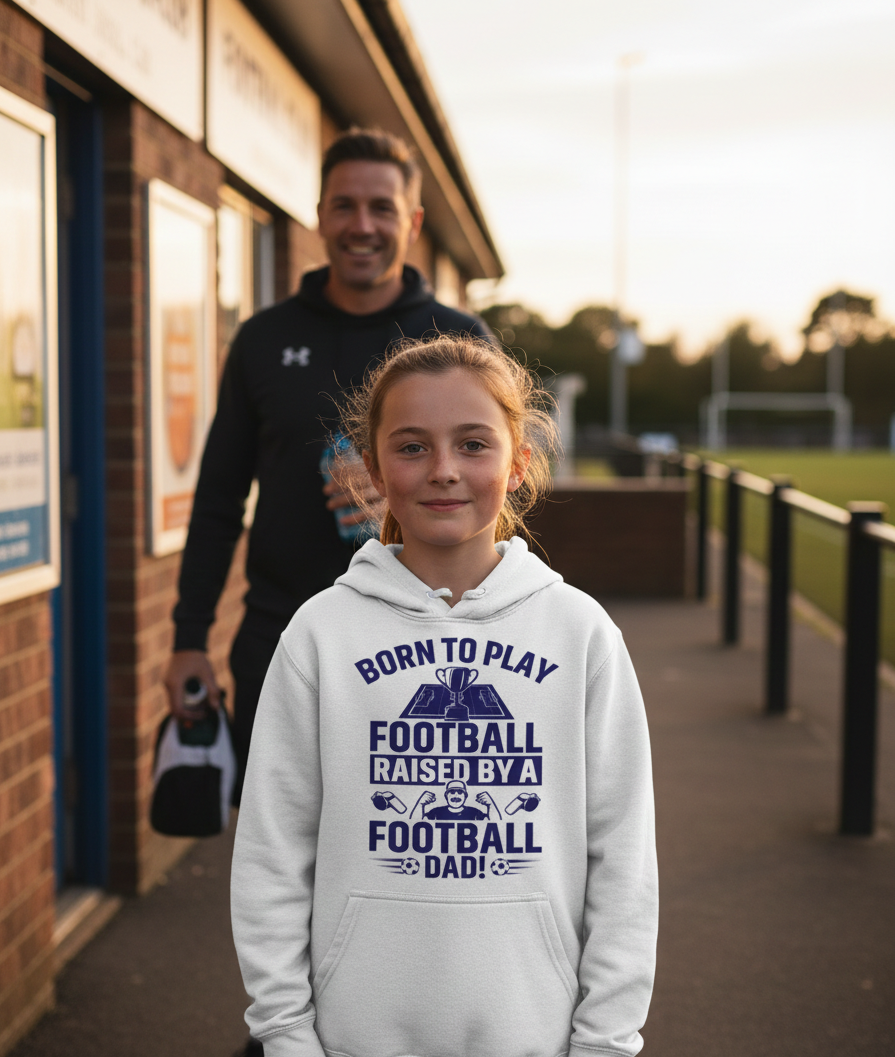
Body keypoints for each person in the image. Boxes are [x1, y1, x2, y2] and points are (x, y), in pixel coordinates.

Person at [231, 336, 658, 1057]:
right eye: (411, 446)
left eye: (472, 443)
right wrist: (285, 1034)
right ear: (372, 468)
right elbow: (272, 852)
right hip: (350, 1037)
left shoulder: (579, 631)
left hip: (537, 1036)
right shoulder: (320, 633)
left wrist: (605, 1041)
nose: (444, 471)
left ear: (518, 459)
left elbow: (623, 860)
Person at [163, 129, 492, 802]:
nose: (361, 225)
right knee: (280, 851)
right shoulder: (263, 338)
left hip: (424, 645)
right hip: (279, 639)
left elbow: (509, 492)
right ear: (318, 216)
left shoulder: (459, 341)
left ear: (413, 222)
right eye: (343, 206)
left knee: (407, 839)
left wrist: (405, 506)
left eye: (381, 208)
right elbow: (219, 498)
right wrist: (188, 636)